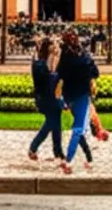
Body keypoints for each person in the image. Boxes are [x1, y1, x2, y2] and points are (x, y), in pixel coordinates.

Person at [56, 30, 99, 174]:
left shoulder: (65, 56)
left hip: (69, 96)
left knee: (78, 128)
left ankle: (88, 157)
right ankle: (69, 161)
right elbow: (95, 72)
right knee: (78, 129)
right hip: (81, 95)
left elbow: (59, 76)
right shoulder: (84, 56)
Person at [28, 38, 63, 162]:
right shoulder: (39, 64)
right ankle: (34, 147)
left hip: (52, 97)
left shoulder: (45, 62)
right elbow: (49, 79)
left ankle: (57, 151)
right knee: (51, 124)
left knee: (56, 124)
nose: (56, 48)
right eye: (53, 46)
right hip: (45, 98)